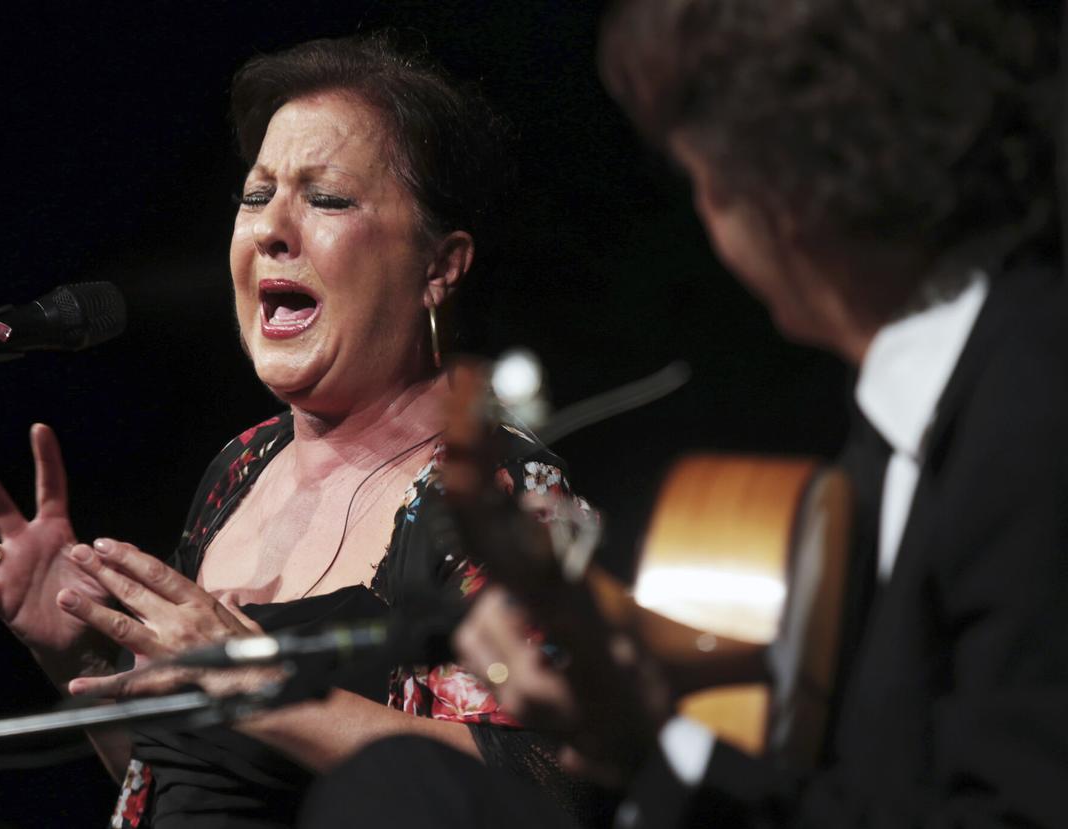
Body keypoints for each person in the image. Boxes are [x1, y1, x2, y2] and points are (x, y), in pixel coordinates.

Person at [298, 2, 1068, 827]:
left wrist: (660, 752)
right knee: (404, 791)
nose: (705, 214)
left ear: (785, 188)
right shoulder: (924, 418)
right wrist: (648, 738)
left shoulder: (1032, 412)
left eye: (701, 177)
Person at [0, 33, 595, 829]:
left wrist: (264, 686)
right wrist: (73, 651)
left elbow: (553, 784)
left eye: (329, 198)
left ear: (439, 266)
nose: (272, 230)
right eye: (256, 195)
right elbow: (177, 788)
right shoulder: (240, 468)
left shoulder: (498, 491)